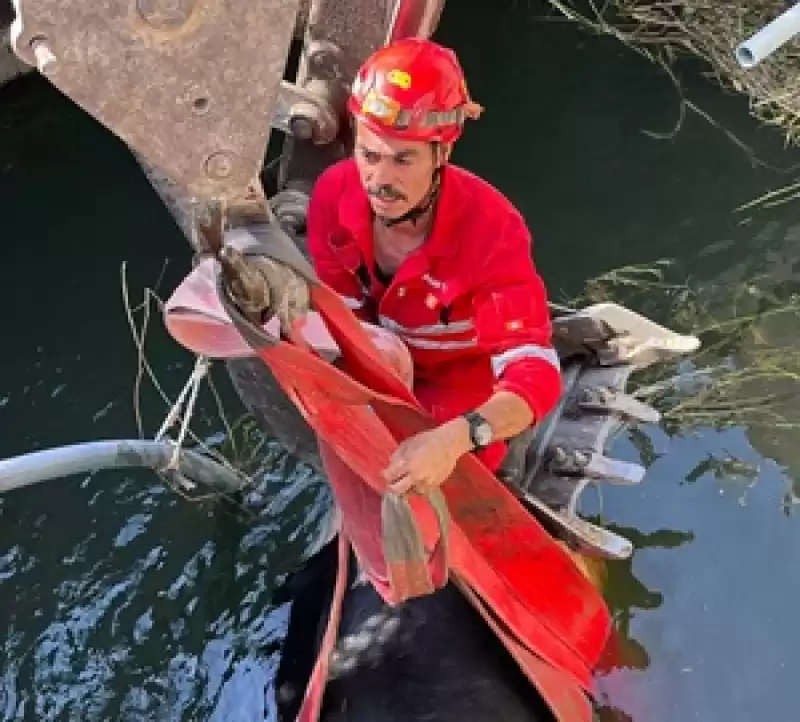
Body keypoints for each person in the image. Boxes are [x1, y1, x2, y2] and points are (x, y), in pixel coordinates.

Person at [306, 37, 561, 497]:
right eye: (369, 154)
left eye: (404, 159)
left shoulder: (491, 230)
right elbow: (339, 309)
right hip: (382, 369)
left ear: (442, 155)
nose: (380, 180)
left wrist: (457, 438)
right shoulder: (333, 194)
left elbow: (534, 372)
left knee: (450, 497)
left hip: (464, 393)